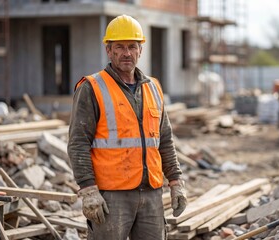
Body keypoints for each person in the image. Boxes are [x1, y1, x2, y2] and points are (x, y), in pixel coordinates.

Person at [67, 14, 187, 240]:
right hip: (111, 197)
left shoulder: (153, 88)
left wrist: (176, 182)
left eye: (132, 46)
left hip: (151, 193)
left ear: (140, 50)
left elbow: (165, 140)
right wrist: (89, 190)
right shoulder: (92, 87)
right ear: (108, 50)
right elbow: (78, 143)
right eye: (119, 47)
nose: (126, 53)